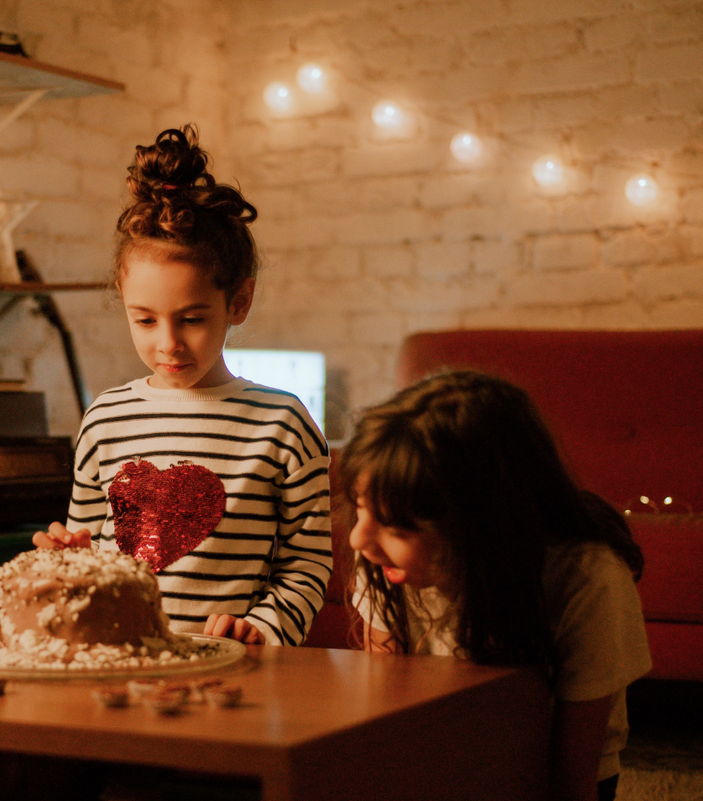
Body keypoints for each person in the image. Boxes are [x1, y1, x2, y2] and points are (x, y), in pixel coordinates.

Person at [34, 125, 331, 646]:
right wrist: (67, 561)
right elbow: (91, 555)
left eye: (191, 318)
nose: (168, 343)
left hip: (235, 675)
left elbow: (307, 564)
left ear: (238, 302)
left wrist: (261, 627)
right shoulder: (104, 418)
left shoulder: (283, 424)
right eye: (145, 321)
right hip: (119, 661)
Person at [341, 370, 650, 801]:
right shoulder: (387, 561)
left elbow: (571, 778)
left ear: (479, 522)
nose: (358, 539)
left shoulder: (587, 578)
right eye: (359, 507)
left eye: (396, 527)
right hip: (437, 763)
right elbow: (390, 726)